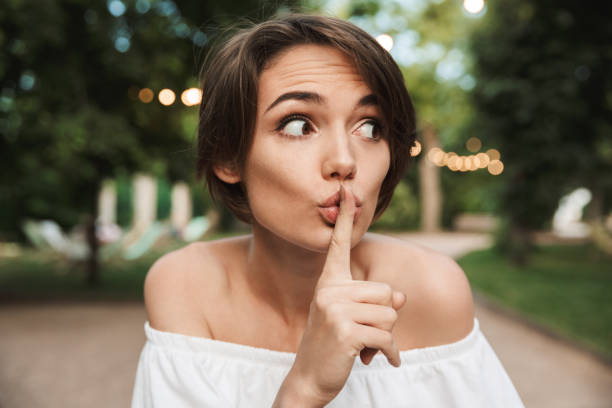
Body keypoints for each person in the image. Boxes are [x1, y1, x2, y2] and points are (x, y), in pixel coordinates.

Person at [131, 13, 524, 407]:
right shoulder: (186, 288)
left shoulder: (431, 291)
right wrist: (304, 390)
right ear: (228, 157)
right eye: (299, 125)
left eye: (370, 128)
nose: (344, 161)